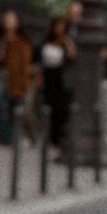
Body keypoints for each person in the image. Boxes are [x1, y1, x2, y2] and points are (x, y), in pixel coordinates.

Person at [0, 5, 33, 139]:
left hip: (15, 77)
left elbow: (25, 64)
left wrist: (23, 83)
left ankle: (13, 135)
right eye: (6, 20)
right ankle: (5, 134)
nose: (9, 23)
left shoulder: (22, 42)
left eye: (12, 20)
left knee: (13, 107)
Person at [37, 12, 73, 155]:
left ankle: (59, 138)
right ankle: (50, 138)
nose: (59, 29)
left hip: (61, 79)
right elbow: (39, 60)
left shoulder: (67, 41)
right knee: (48, 107)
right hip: (48, 78)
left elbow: (72, 56)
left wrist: (67, 42)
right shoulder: (46, 42)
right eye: (57, 26)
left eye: (62, 26)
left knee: (61, 109)